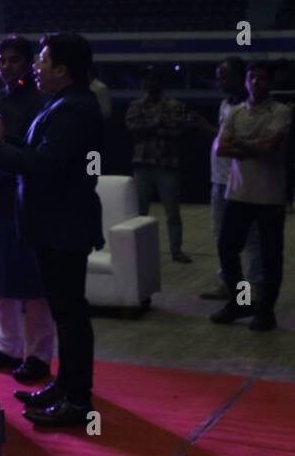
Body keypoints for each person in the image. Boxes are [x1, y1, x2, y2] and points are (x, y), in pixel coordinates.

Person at [0, 32, 103, 428]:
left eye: (42, 62)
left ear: (63, 69)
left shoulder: (73, 109)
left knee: (70, 314)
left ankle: (77, 400)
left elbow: (43, 165)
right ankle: (65, 386)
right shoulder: (63, 104)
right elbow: (33, 154)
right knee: (65, 312)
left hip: (63, 225)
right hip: (52, 225)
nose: (37, 69)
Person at [0, 36, 54, 384]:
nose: (5, 66)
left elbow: (25, 156)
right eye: (0, 60)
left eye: (13, 60)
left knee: (32, 284)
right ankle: (9, 346)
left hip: (25, 200)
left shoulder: (42, 104)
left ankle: (39, 354)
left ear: (29, 64)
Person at [211, 60, 291, 332]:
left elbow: (271, 147)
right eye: (251, 77)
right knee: (227, 249)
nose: (256, 82)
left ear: (271, 82)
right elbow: (221, 149)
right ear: (245, 81)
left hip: (269, 197)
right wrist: (254, 146)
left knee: (270, 257)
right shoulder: (235, 112)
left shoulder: (282, 112)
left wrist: (241, 144)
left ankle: (266, 312)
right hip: (238, 194)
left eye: (261, 78)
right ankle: (240, 301)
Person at [190, 57, 263, 299]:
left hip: (241, 181)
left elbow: (231, 140)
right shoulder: (224, 103)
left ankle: (252, 288)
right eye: (218, 76)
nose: (219, 81)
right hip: (218, 179)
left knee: (251, 239)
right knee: (221, 237)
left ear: (240, 78)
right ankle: (227, 283)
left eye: (224, 76)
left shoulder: (248, 107)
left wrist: (205, 127)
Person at [124, 66, 189, 263]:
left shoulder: (174, 105)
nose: (151, 84)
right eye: (148, 80)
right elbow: (132, 127)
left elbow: (178, 130)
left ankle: (176, 251)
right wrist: (158, 124)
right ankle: (137, 249)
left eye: (155, 80)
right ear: (144, 83)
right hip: (142, 164)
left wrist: (149, 127)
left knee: (173, 213)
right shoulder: (136, 105)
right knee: (139, 212)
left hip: (167, 165)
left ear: (161, 83)